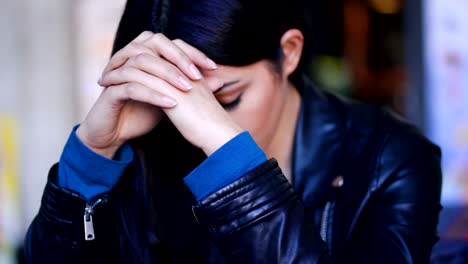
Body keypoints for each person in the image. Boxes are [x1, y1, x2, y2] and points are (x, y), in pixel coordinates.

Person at [24, 0, 442, 263]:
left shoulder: (393, 159)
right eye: (174, 102)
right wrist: (93, 154)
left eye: (225, 100)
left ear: (290, 53)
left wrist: (231, 159)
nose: (195, 125)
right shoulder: (145, 143)